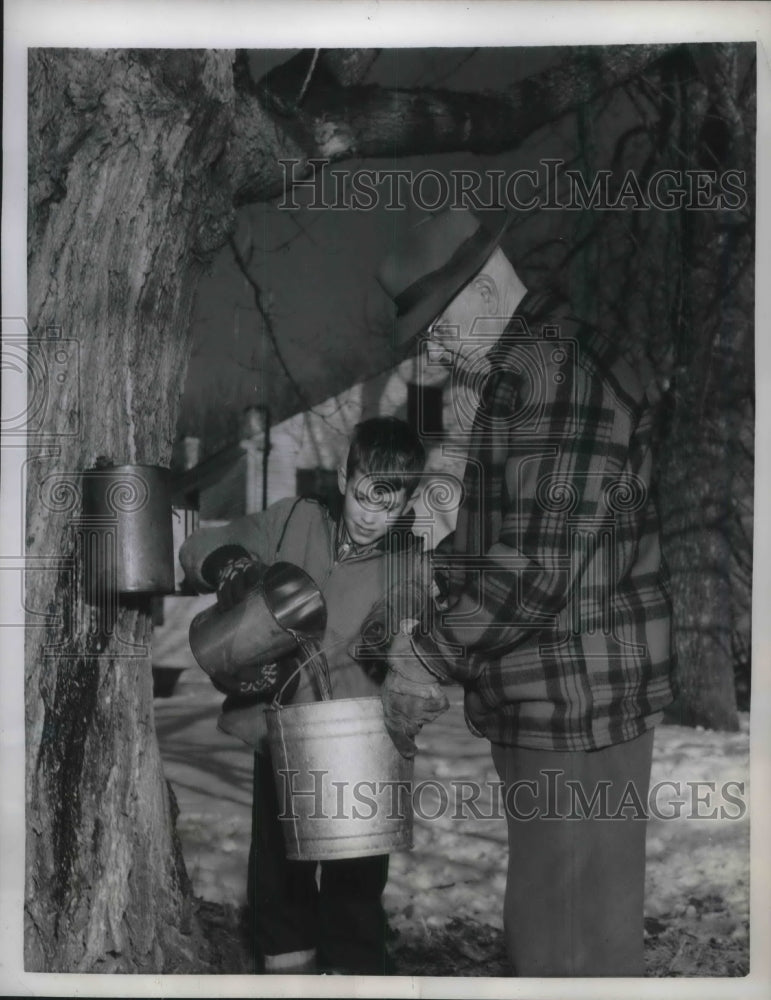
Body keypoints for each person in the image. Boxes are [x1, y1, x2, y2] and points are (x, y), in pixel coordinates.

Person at [375, 207, 676, 977]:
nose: (432, 347)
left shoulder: (555, 372)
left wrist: (430, 657)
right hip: (548, 696)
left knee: (565, 950)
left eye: (436, 325)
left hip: (575, 702)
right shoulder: (519, 376)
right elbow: (510, 545)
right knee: (558, 937)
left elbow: (537, 565)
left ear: (481, 290)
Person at [179, 417, 445, 976]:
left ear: (406, 503)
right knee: (279, 888)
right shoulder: (293, 521)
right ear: (346, 478)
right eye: (365, 494)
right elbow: (203, 542)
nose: (373, 516)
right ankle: (288, 980)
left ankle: (354, 978)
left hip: (359, 747)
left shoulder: (408, 568)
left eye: (390, 504)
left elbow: (411, 649)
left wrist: (411, 675)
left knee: (355, 892)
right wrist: (228, 565)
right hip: (279, 735)